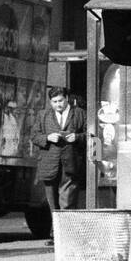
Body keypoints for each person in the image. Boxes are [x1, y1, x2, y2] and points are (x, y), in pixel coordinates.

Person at [33, 89, 86, 245]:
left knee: (67, 200)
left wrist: (77, 137)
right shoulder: (43, 115)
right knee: (52, 202)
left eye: (60, 101)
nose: (58, 105)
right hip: (49, 163)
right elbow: (34, 136)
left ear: (67, 99)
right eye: (54, 102)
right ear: (50, 102)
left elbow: (90, 134)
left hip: (70, 163)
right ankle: (56, 234)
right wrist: (47, 137)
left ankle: (66, 235)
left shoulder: (79, 114)